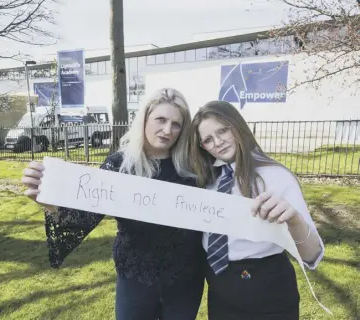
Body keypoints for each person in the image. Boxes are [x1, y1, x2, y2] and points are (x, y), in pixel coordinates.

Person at [21, 88, 205, 320]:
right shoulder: (120, 165)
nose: (167, 130)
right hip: (136, 277)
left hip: (185, 281)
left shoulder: (193, 167)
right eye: (161, 119)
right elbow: (85, 217)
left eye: (176, 124)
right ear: (144, 119)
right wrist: (49, 203)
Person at [189, 100, 325, 320]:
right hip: (220, 292)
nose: (218, 142)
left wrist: (294, 220)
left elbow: (313, 255)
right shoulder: (208, 181)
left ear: (237, 125)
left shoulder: (275, 176)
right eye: (207, 140)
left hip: (267, 293)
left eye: (222, 130)